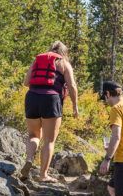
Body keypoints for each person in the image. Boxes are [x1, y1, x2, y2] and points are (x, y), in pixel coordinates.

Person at [20, 41, 80, 183]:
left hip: (32, 97)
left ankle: (29, 159)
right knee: (49, 140)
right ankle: (43, 175)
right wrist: (75, 106)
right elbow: (72, 85)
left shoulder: (38, 59)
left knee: (33, 135)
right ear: (64, 52)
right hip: (51, 99)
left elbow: (26, 82)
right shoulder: (64, 63)